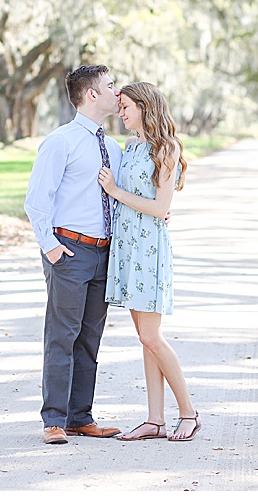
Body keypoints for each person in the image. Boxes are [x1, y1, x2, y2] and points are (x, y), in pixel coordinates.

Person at [24, 65, 123, 445]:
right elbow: (37, 200)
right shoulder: (60, 141)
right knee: (62, 335)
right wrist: (50, 248)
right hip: (69, 250)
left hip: (103, 254)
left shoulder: (112, 147)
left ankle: (81, 416)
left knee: (89, 338)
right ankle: (54, 419)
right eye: (111, 86)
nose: (118, 92)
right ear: (91, 94)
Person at [97, 82, 201, 442]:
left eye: (125, 106)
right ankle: (154, 420)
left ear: (144, 106)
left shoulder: (167, 148)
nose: (120, 112)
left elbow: (160, 208)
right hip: (127, 249)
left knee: (152, 336)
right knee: (145, 339)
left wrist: (115, 191)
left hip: (149, 249)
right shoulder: (132, 145)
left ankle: (188, 413)